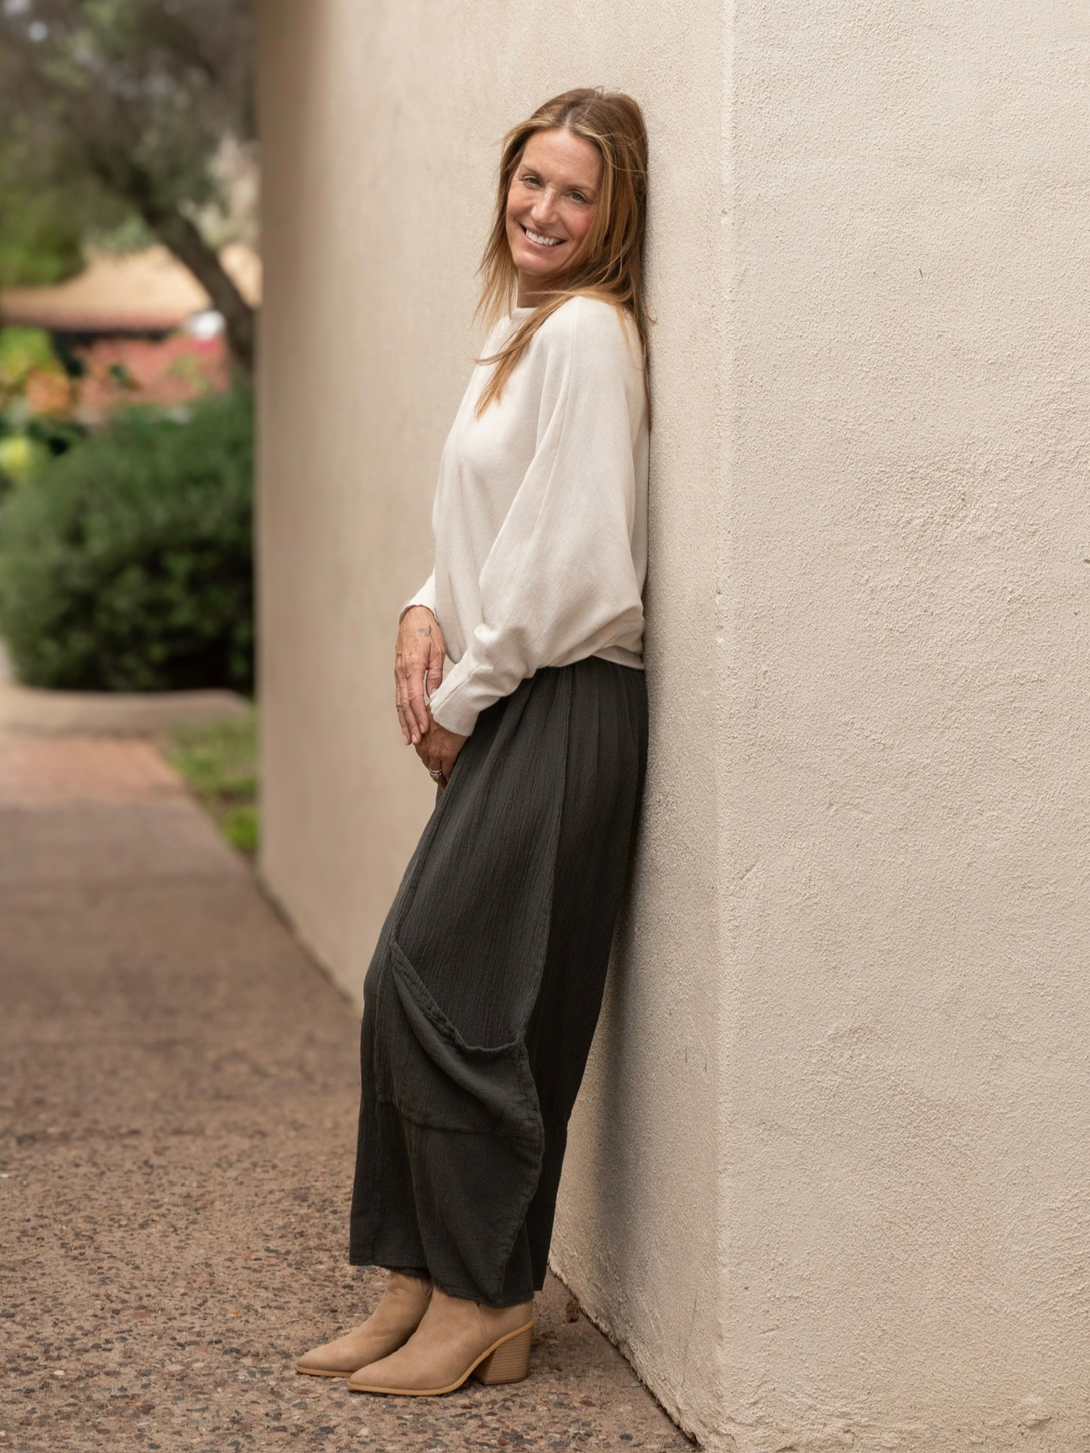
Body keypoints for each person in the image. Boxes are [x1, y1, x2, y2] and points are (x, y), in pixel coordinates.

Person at [296, 86, 650, 1398]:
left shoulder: (590, 336)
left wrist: (456, 704)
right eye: (531, 181)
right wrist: (420, 603)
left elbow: (572, 570)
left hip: (563, 699)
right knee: (416, 987)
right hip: (524, 693)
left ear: (615, 216)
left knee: (460, 1000)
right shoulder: (519, 333)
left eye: (575, 192)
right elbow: (485, 535)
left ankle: (486, 1296)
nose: (542, 209)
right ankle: (417, 1280)